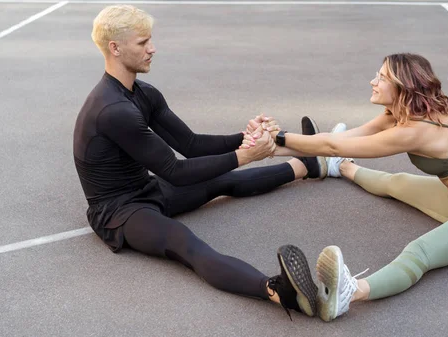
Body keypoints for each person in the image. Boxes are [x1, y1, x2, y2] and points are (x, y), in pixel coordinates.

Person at [72, 4, 326, 319]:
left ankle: (309, 165)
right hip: (120, 212)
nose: (153, 49)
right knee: (183, 241)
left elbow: (191, 145)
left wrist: (243, 138)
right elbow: (176, 172)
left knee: (220, 180)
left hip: (146, 188)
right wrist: (245, 155)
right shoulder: (113, 110)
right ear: (115, 48)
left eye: (151, 40)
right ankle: (278, 291)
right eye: (142, 43)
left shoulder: (142, 94)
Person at [245, 53, 448, 321]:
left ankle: (350, 293)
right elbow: (341, 138)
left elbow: (332, 144)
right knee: (396, 181)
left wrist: (277, 137)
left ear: (403, 86)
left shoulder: (417, 131)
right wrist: (265, 147)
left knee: (419, 252)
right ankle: (340, 167)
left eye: (382, 77)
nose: (373, 81)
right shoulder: (399, 115)